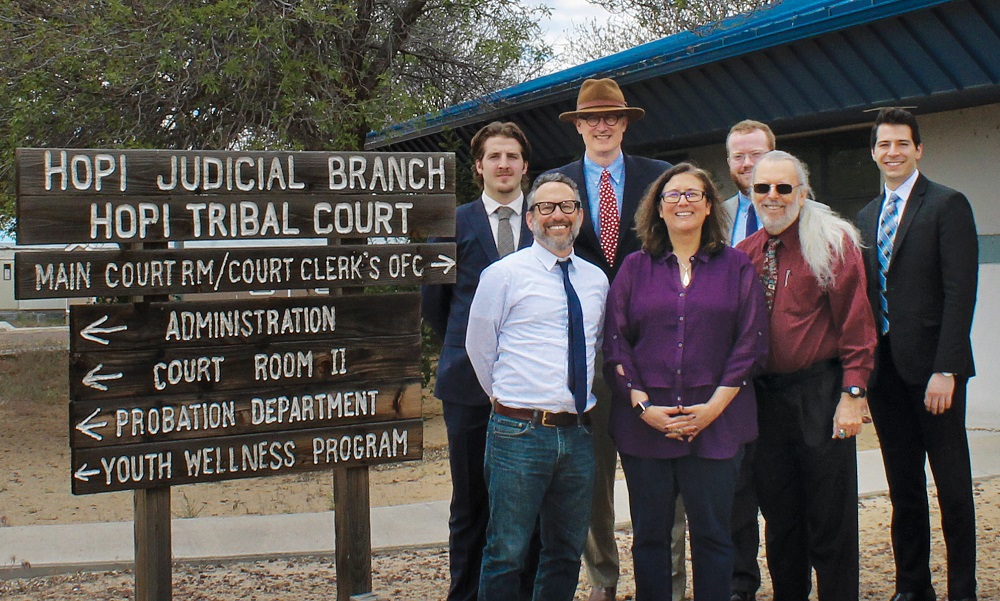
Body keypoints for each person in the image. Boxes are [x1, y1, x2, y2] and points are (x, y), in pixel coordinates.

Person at [604, 163, 769, 601]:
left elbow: (750, 343)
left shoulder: (736, 267)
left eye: (693, 194)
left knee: (715, 537)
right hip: (646, 428)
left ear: (709, 205)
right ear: (657, 208)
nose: (683, 202)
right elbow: (616, 344)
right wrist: (644, 408)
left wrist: (713, 408)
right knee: (651, 538)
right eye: (673, 195)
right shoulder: (634, 269)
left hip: (717, 424)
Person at [547, 77, 673, 601]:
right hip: (586, 354)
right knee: (591, 477)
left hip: (655, 353)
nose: (602, 126)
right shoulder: (555, 185)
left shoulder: (661, 178)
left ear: (625, 124)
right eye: (591, 119)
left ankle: (666, 580)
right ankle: (602, 577)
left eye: (612, 118)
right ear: (578, 125)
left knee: (661, 476)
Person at [736, 151, 876, 601]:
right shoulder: (745, 255)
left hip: (820, 392)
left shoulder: (832, 243)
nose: (773, 197)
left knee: (830, 519)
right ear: (751, 193)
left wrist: (853, 393)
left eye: (783, 187)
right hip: (766, 401)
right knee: (780, 519)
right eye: (763, 188)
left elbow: (857, 323)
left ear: (802, 191)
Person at [467, 172, 609, 601]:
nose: (557, 216)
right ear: (530, 219)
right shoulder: (502, 275)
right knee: (506, 552)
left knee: (565, 551)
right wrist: (511, 400)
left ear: (580, 217)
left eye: (566, 206)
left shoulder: (595, 280)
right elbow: (479, 348)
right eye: (545, 207)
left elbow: (596, 347)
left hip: (578, 433)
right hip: (518, 434)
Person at [856, 108, 978, 601]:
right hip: (886, 376)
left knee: (952, 490)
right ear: (873, 152)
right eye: (884, 145)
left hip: (935, 374)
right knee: (903, 489)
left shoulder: (948, 205)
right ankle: (912, 588)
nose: (892, 152)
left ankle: (962, 590)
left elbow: (960, 292)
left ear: (918, 149)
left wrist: (946, 368)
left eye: (902, 144)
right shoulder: (866, 216)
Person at [421, 121, 536, 601]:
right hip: (467, 387)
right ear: (479, 167)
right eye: (495, 157)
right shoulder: (452, 223)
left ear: (525, 166)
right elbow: (436, 305)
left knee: (528, 502)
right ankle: (465, 593)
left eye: (512, 156)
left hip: (532, 386)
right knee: (470, 503)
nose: (504, 164)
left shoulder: (547, 218)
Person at [722, 119, 775, 601]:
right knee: (735, 490)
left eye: (756, 153)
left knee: (784, 487)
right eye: (739, 156)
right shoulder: (712, 217)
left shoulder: (805, 212)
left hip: (788, 373)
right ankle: (741, 585)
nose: (747, 163)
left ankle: (793, 578)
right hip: (731, 377)